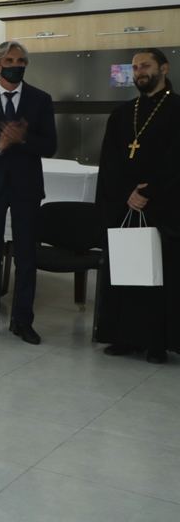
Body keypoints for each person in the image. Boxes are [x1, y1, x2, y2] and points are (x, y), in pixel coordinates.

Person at [0, 41, 57, 344]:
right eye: (10, 60)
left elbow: (51, 146)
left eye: (21, 60)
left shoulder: (41, 100)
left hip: (27, 187)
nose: (17, 65)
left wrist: (23, 139)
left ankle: (22, 321)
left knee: (26, 255)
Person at [94, 48, 180, 364]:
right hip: (124, 204)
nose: (139, 71)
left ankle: (158, 342)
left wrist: (149, 191)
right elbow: (110, 161)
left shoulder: (177, 109)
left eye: (145, 65)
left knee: (160, 275)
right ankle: (124, 336)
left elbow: (176, 160)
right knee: (127, 271)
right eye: (134, 67)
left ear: (164, 68)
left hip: (164, 206)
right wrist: (125, 193)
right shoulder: (121, 113)